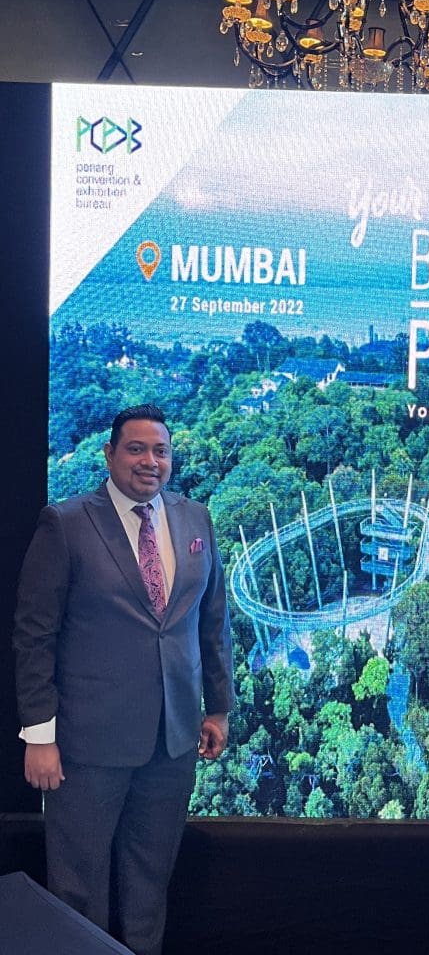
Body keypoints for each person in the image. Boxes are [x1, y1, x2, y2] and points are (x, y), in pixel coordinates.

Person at [13, 404, 235, 955]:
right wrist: (39, 736)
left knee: (149, 885)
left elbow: (212, 621)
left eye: (160, 451)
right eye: (136, 449)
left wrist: (218, 707)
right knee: (78, 887)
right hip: (87, 746)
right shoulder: (65, 524)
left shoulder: (195, 519)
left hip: (173, 742)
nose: (149, 461)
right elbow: (34, 635)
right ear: (109, 454)